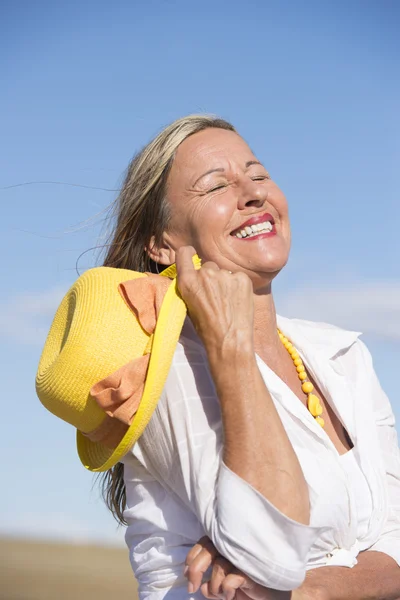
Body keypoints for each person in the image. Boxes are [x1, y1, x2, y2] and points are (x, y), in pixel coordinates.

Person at [48, 115, 400, 600]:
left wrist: (318, 588)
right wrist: (229, 352)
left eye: (258, 175)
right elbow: (271, 553)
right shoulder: (161, 373)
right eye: (216, 185)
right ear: (161, 243)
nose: (253, 193)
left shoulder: (342, 355)